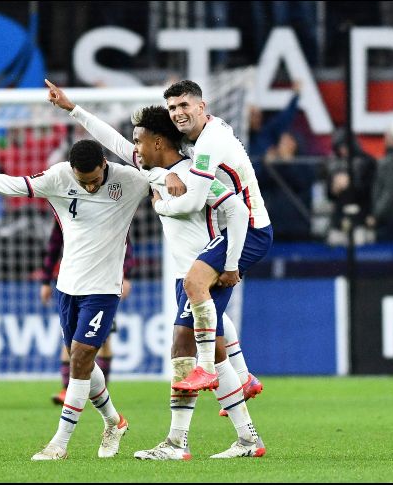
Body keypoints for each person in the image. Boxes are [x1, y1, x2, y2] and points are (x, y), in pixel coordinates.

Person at [45, 79, 266, 459]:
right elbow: (112, 141)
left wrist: (227, 263)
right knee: (215, 351)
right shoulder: (151, 168)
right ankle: (248, 434)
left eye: (139, 141)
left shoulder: (191, 175)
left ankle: (177, 442)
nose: (132, 148)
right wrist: (73, 109)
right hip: (186, 274)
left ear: (158, 143)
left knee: (183, 345)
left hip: (202, 270)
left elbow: (234, 208)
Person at [0, 139, 161, 461]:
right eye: (83, 181)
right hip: (67, 286)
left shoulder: (130, 179)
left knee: (80, 357)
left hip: (104, 289)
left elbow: (168, 181)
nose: (90, 186)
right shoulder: (58, 177)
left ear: (105, 165)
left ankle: (59, 444)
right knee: (82, 360)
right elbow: (11, 185)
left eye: (95, 179)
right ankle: (114, 421)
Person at [42, 221, 135, 406]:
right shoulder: (65, 211)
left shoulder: (109, 212)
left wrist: (126, 275)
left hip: (103, 285)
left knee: (104, 339)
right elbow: (54, 244)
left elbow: (125, 242)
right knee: (71, 338)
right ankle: (68, 389)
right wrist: (45, 280)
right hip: (72, 283)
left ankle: (99, 391)